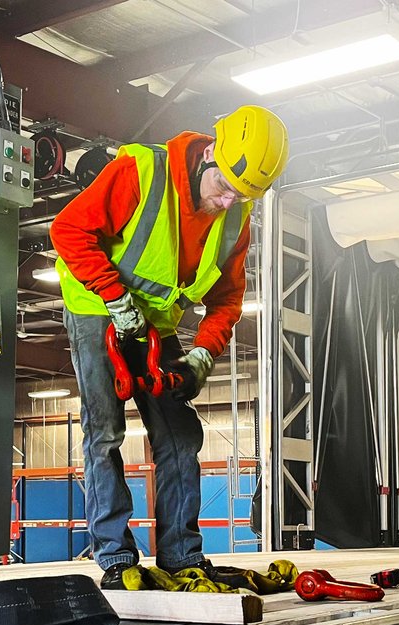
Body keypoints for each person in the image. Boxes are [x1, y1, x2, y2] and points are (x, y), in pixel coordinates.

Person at [50, 106, 289, 589]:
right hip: (97, 306)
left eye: (241, 197)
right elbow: (68, 231)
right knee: (105, 430)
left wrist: (202, 353)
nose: (227, 203)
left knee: (180, 434)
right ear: (208, 155)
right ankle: (117, 556)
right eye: (224, 188)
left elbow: (228, 299)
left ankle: (182, 555)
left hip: (156, 323)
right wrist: (114, 297)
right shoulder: (143, 170)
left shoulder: (234, 216)